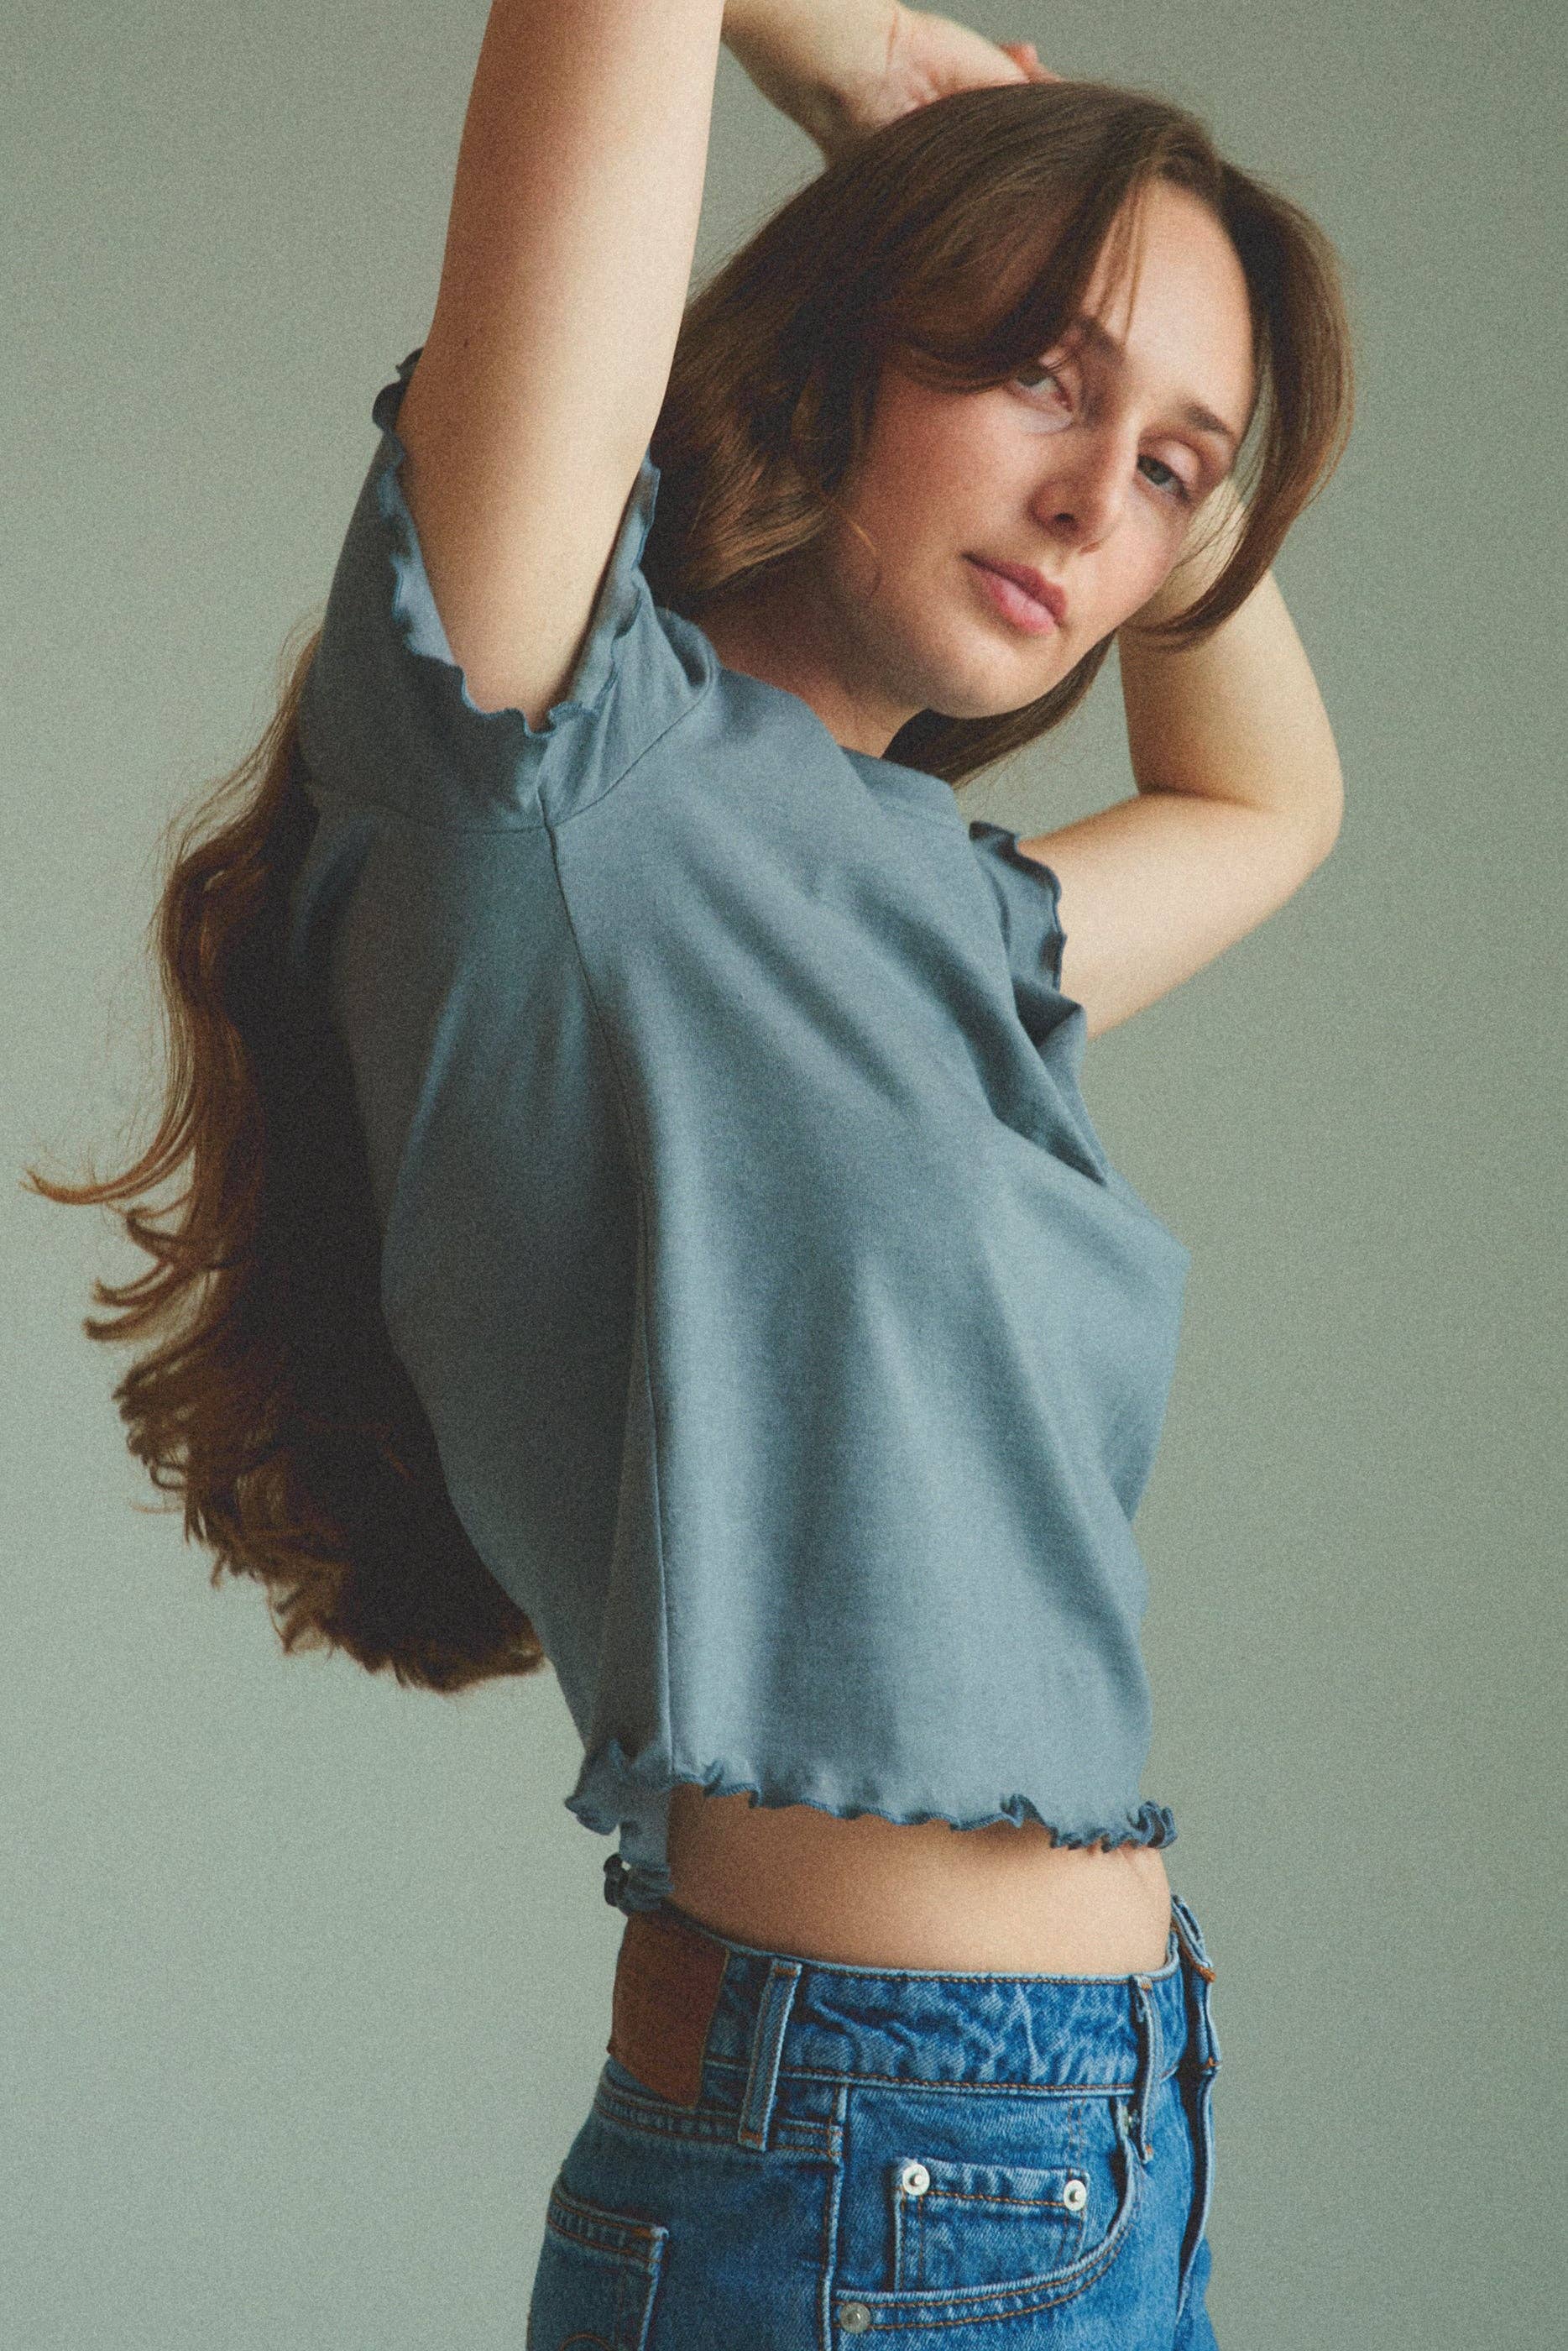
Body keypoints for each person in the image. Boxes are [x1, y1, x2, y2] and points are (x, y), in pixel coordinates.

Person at [29, 3, 1353, 2341]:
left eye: (1174, 469)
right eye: (1041, 374)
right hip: (865, 2163)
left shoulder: (948, 909)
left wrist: (1137, 376)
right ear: (857, 322)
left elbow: (1275, 815)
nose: (1096, 509)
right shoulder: (546, 747)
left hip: (1100, 2132)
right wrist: (862, 89)